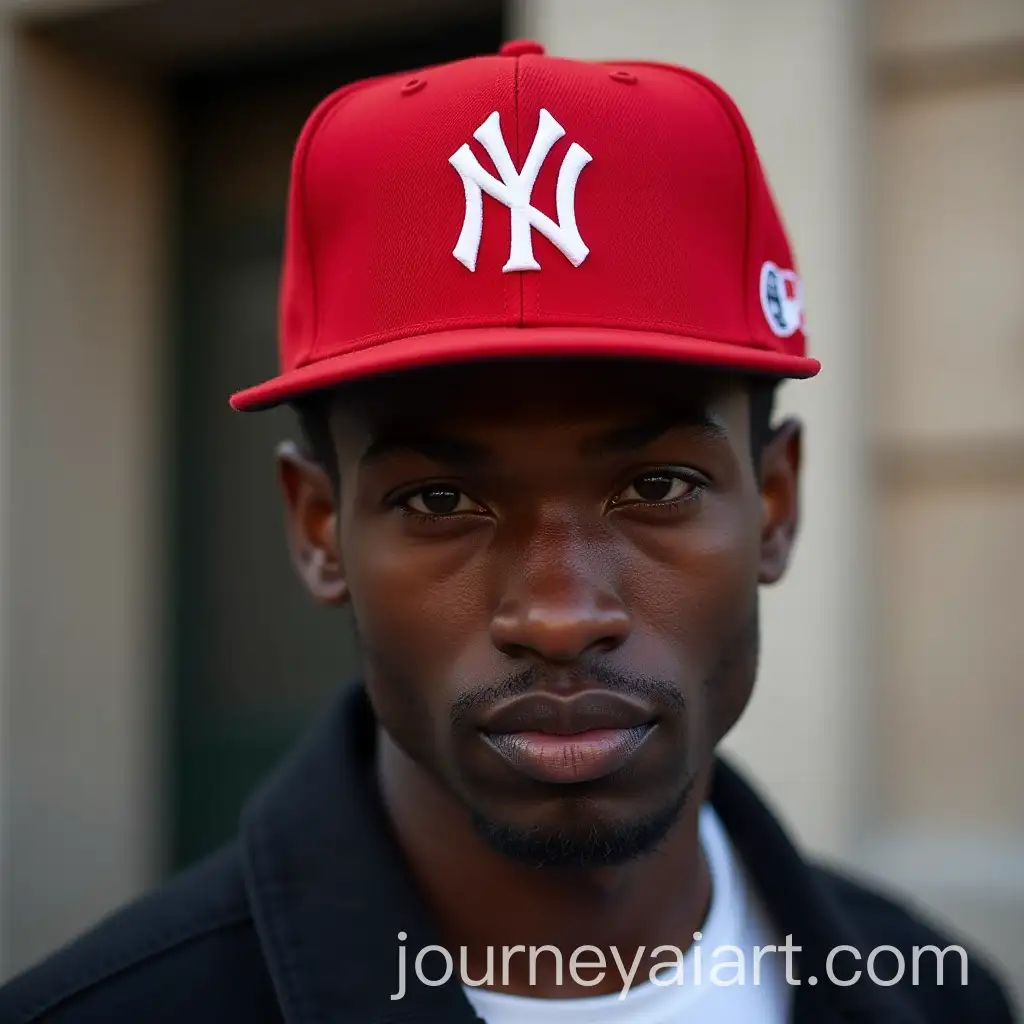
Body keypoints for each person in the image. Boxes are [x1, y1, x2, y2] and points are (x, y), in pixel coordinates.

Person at [0, 39, 1015, 1024]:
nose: (560, 615)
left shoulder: (944, 996)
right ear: (318, 529)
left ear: (775, 505)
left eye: (655, 484)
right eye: (440, 503)